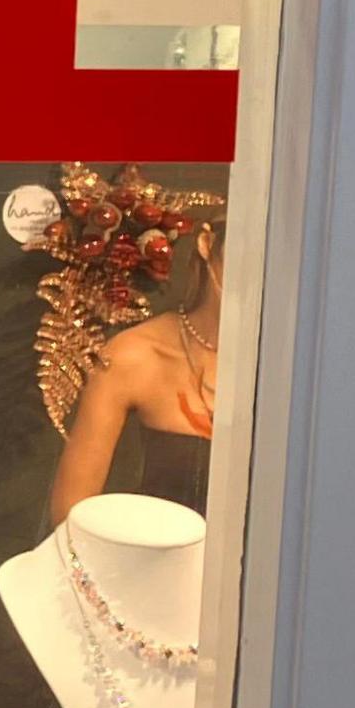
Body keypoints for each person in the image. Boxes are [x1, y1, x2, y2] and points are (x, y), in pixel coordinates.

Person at [49, 220, 222, 522]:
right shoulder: (138, 354)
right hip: (150, 560)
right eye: (246, 246)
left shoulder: (289, 364)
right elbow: (69, 513)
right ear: (207, 244)